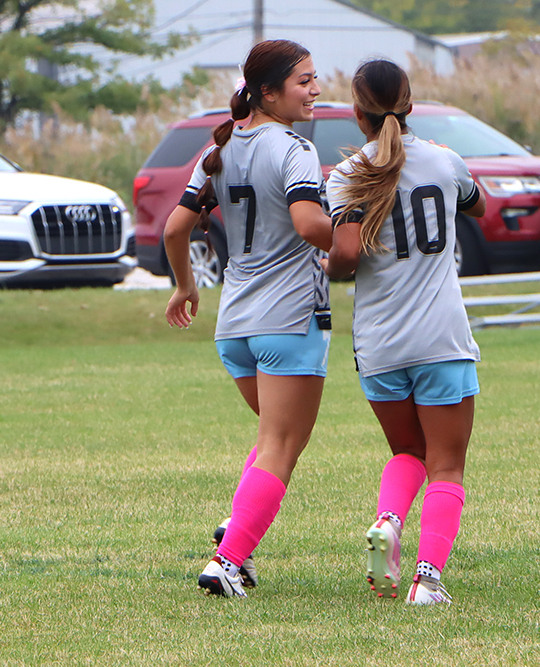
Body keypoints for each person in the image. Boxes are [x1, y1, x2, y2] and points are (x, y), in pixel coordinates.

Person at [164, 39, 333, 597]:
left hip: (234, 325)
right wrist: (366, 244)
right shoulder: (294, 149)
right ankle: (228, 561)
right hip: (287, 319)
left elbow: (173, 230)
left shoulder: (218, 148)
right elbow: (310, 224)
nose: (315, 89)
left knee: (270, 441)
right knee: (282, 446)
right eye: (304, 81)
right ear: (268, 92)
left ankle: (237, 534)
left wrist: (186, 286)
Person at [324, 59, 486, 605]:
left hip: (379, 344)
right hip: (441, 339)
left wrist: (329, 267)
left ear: (357, 113)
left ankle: (390, 519)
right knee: (447, 464)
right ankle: (427, 579)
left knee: (407, 453)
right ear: (411, 106)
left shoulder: (346, 176)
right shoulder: (444, 162)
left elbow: (344, 256)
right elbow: (478, 204)